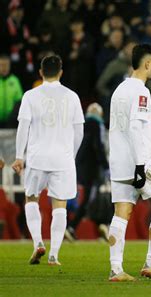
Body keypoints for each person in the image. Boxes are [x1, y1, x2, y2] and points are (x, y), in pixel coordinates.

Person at [107, 43, 151, 282]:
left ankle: (116, 270)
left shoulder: (119, 90)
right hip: (142, 160)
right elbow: (136, 127)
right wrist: (140, 165)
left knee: (121, 213)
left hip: (118, 160)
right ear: (147, 64)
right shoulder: (140, 91)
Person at [12, 54, 85, 266]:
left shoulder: (30, 96)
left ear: (41, 72)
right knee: (59, 205)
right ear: (61, 72)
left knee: (31, 198)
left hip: (37, 158)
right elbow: (79, 130)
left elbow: (23, 127)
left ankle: (37, 244)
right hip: (62, 159)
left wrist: (19, 156)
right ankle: (54, 254)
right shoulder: (72, 96)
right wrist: (71, 154)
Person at [65, 103, 110, 241]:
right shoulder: (96, 125)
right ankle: (72, 227)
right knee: (89, 198)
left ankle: (99, 225)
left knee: (88, 198)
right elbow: (98, 146)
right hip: (92, 168)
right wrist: (105, 165)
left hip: (79, 166)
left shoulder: (81, 124)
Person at [0, 55, 23, 128]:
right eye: (2, 65)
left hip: (11, 123)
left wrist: (13, 117)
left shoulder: (15, 80)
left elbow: (19, 101)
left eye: (6, 65)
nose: (4, 67)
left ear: (9, 66)